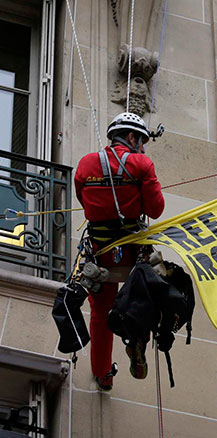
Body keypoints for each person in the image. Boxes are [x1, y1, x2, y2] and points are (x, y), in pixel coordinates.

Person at [74, 112, 165, 392]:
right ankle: (138, 339)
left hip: (100, 253)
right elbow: (155, 209)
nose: (143, 147)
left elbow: (83, 199)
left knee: (100, 315)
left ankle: (103, 373)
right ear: (130, 137)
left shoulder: (86, 163)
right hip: (133, 252)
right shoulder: (141, 163)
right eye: (142, 141)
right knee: (146, 300)